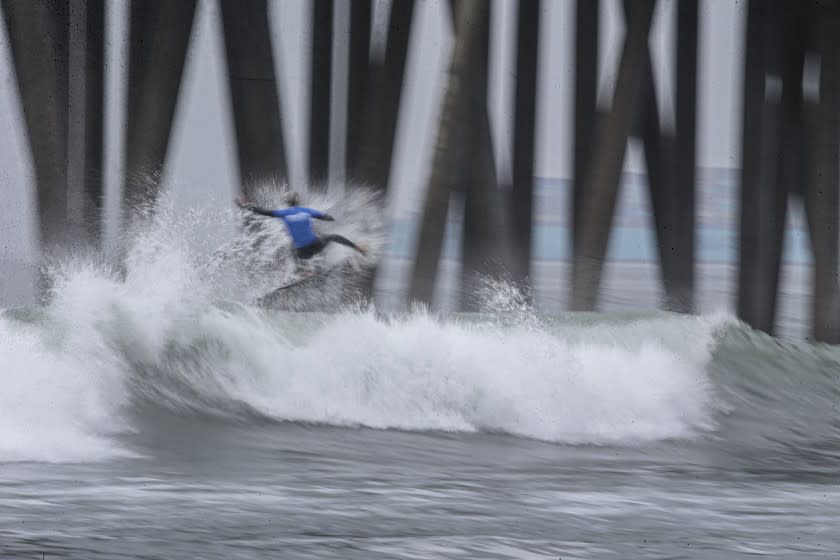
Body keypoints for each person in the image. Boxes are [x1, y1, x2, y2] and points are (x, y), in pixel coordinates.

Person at [235, 193, 367, 263]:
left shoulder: (283, 213)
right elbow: (326, 217)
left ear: (287, 203)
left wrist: (244, 205)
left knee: (291, 246)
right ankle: (357, 247)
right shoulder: (306, 211)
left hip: (302, 253)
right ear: (298, 202)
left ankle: (301, 271)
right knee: (333, 237)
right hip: (315, 246)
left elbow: (262, 211)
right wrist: (330, 217)